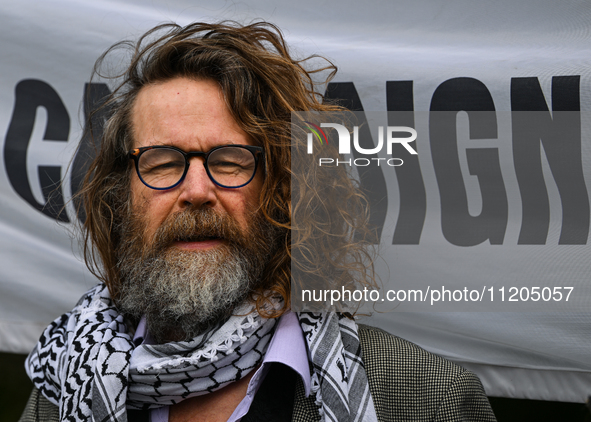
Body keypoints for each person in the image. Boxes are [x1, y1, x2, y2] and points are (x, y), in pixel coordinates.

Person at [20, 21, 496, 422]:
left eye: (230, 160)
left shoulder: (428, 400)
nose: (197, 192)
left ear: (285, 186)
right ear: (120, 196)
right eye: (163, 162)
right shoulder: (63, 384)